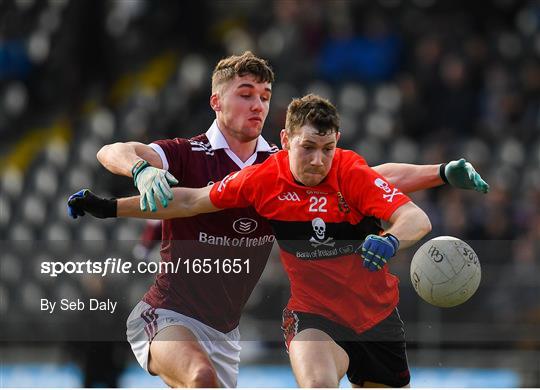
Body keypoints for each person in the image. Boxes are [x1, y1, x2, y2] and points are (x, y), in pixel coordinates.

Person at [81, 52, 488, 388]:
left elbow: (370, 177)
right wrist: (139, 171)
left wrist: (440, 172)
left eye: (264, 96)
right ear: (216, 102)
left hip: (225, 331)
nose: (257, 105)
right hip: (169, 311)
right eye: (245, 95)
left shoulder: (279, 163)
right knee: (201, 379)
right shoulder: (186, 153)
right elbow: (115, 153)